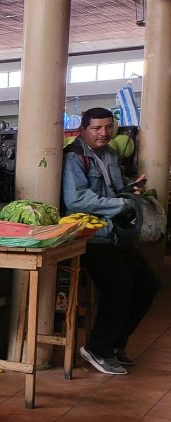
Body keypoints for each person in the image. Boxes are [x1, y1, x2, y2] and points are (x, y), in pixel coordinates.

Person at [61, 107, 160, 376]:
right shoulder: (74, 157)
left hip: (114, 233)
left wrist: (129, 190)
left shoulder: (109, 154)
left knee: (148, 283)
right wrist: (118, 204)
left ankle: (115, 344)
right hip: (90, 236)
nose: (103, 133)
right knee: (119, 286)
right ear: (83, 129)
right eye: (96, 128)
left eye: (108, 127)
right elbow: (75, 199)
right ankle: (97, 348)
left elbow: (113, 189)